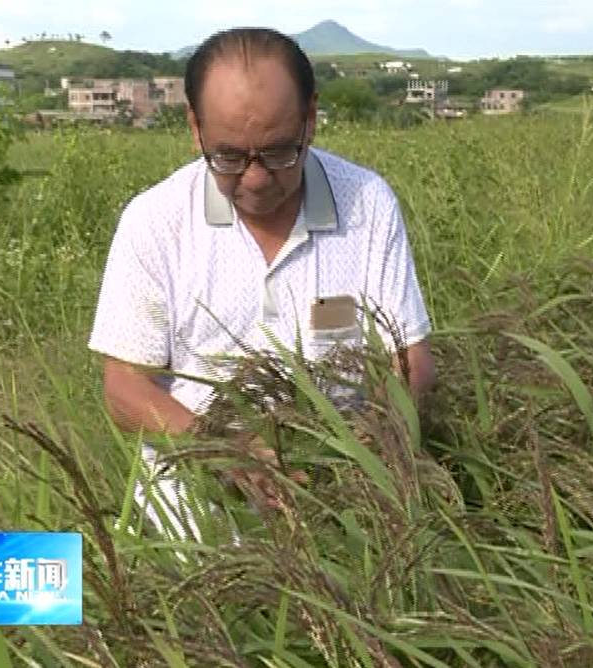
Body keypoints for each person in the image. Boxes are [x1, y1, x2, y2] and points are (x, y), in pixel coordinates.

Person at [88, 27, 436, 540]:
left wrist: (348, 459)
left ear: (310, 120)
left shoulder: (366, 203)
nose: (254, 179)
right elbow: (123, 387)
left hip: (343, 506)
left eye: (278, 153)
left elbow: (410, 364)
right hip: (191, 516)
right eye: (228, 157)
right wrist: (225, 450)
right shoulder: (156, 221)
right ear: (195, 128)